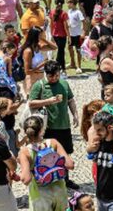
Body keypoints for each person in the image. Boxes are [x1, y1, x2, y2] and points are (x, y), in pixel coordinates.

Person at [27, 60, 80, 190]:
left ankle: (65, 179)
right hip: (47, 127)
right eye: (51, 76)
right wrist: (47, 101)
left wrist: (75, 114)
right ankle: (47, 178)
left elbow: (71, 100)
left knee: (65, 153)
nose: (54, 78)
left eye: (57, 75)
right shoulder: (39, 85)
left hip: (64, 125)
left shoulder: (64, 83)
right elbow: (31, 103)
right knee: (47, 154)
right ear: (46, 74)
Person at [18, 116, 74, 211]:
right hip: (59, 190)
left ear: (25, 132)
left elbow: (26, 180)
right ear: (42, 129)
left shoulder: (24, 151)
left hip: (40, 195)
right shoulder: (53, 142)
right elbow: (70, 165)